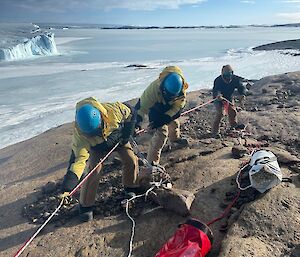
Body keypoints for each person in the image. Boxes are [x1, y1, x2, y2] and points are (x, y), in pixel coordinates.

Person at [61, 97, 139, 222]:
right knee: (94, 171)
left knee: (131, 159)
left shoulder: (114, 110)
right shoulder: (80, 135)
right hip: (97, 148)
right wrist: (69, 183)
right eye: (91, 133)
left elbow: (132, 112)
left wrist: (126, 133)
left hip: (118, 138)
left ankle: (130, 187)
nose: (94, 134)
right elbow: (79, 159)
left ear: (102, 118)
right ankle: (85, 206)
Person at [135, 66, 189, 165]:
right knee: (161, 134)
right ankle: (151, 163)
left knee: (174, 123)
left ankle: (175, 140)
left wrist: (168, 116)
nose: (170, 96)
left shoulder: (181, 90)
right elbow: (140, 108)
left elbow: (178, 107)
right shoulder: (152, 91)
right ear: (163, 86)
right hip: (156, 109)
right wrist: (136, 123)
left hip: (169, 107)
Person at [211, 65, 247, 138]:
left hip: (228, 97)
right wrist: (218, 95)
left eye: (229, 75)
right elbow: (216, 90)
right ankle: (215, 132)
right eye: (226, 76)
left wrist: (242, 94)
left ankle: (233, 127)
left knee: (233, 111)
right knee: (220, 114)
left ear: (232, 74)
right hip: (218, 98)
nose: (227, 78)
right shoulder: (218, 80)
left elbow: (241, 87)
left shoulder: (235, 79)